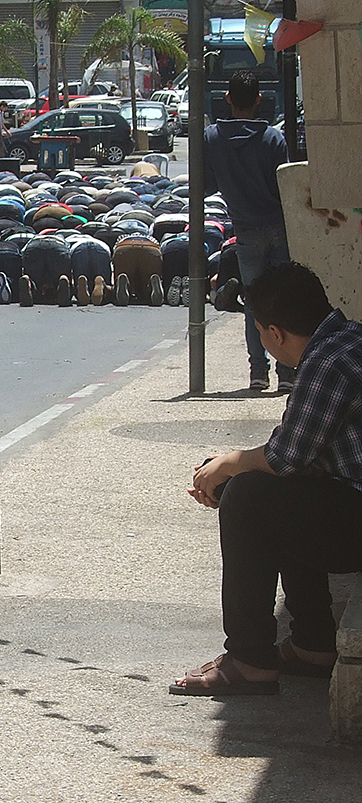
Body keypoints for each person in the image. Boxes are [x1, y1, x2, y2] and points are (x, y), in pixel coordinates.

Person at [172, 263, 362, 695]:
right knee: (281, 492)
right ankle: (314, 643)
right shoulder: (349, 339)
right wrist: (231, 464)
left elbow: (284, 457)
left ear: (274, 333)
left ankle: (250, 658)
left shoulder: (327, 363)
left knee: (250, 497)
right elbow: (300, 455)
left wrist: (226, 468)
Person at [204, 69, 292, 392]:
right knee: (283, 299)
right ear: (259, 100)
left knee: (253, 301)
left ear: (227, 99)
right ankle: (287, 371)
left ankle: (258, 371)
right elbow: (284, 185)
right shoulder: (273, 139)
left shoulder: (212, 139)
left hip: (244, 230)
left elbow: (208, 183)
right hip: (279, 225)